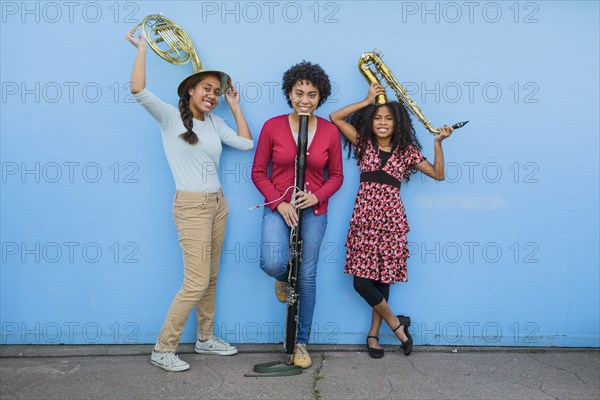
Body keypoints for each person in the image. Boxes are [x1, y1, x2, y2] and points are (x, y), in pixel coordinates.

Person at [125, 30, 254, 372]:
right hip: (191, 206)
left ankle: (206, 339)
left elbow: (245, 143)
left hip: (218, 204)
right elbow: (137, 89)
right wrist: (142, 49)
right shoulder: (169, 116)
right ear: (191, 90)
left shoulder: (215, 122)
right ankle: (163, 348)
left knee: (210, 278)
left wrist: (235, 106)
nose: (212, 95)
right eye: (207, 89)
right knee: (195, 281)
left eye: (217, 90)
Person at [330, 82, 453, 358]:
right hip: (364, 221)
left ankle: (373, 336)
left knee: (381, 279)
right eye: (377, 118)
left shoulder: (406, 151)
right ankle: (398, 326)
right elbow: (335, 118)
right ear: (370, 122)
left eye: (388, 118)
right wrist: (367, 100)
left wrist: (438, 143)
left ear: (398, 124)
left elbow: (438, 174)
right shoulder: (364, 144)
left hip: (391, 222)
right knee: (362, 282)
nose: (382, 123)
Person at [251, 61, 343, 368]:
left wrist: (316, 195)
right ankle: (283, 279)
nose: (305, 99)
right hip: (280, 208)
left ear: (320, 97)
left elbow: (337, 176)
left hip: (314, 210)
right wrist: (279, 203)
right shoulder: (272, 126)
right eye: (299, 92)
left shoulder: (329, 132)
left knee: (307, 276)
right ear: (289, 93)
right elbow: (257, 172)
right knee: (273, 262)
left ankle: (301, 343)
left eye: (312, 94)